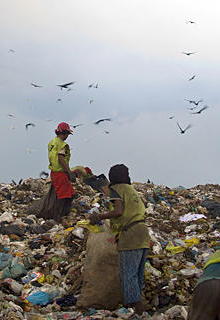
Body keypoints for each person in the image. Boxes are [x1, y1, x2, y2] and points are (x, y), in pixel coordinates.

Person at [87, 164, 150, 315]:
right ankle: (138, 305)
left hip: (131, 235)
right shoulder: (131, 190)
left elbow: (118, 211)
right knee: (138, 273)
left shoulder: (117, 189)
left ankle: (133, 307)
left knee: (128, 273)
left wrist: (99, 216)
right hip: (143, 233)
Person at [48, 122, 77, 220]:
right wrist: (69, 172)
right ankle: (58, 217)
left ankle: (64, 214)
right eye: (67, 134)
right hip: (60, 173)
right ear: (64, 133)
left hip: (54, 172)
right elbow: (61, 158)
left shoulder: (52, 142)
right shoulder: (62, 144)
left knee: (71, 194)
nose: (67, 136)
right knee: (64, 196)